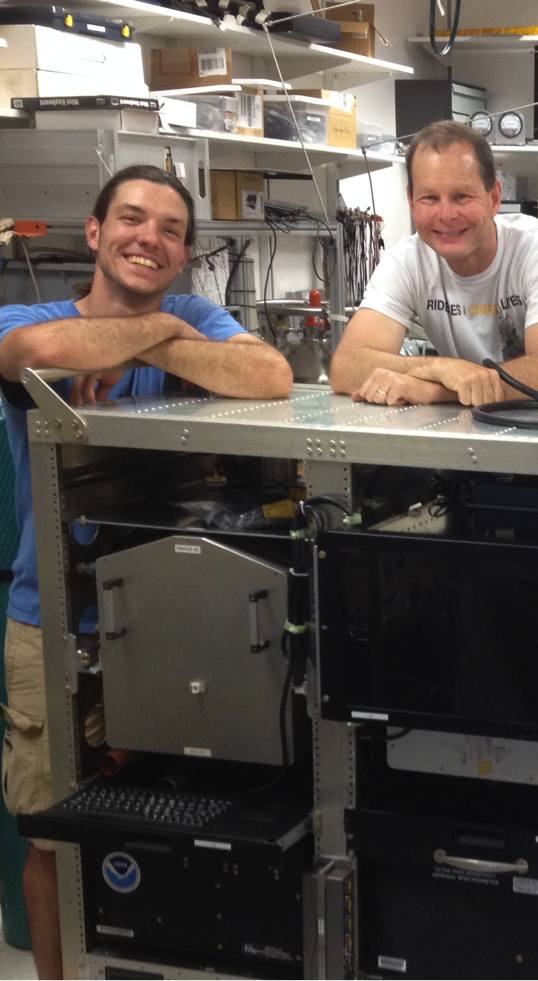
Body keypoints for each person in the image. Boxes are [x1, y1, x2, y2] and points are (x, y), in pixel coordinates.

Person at [0, 164, 293, 981]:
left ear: (185, 253)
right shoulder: (30, 311)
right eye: (130, 219)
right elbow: (35, 353)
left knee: (176, 823)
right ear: (93, 233)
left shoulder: (189, 312)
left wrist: (158, 327)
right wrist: (166, 333)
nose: (148, 238)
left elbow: (269, 376)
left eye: (168, 229)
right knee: (53, 840)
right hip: (51, 619)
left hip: (174, 620)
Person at [329, 120, 538, 407]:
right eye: (430, 198)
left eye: (461, 196)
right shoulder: (407, 261)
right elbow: (346, 366)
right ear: (412, 203)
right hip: (473, 423)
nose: (446, 214)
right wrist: (440, 369)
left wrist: (437, 390)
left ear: (494, 198)